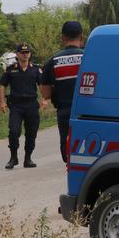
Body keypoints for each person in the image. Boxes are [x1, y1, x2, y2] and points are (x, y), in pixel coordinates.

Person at [41, 20, 85, 163]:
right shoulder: (89, 57)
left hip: (65, 113)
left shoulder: (52, 61)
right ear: (81, 37)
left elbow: (46, 94)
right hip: (88, 113)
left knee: (68, 152)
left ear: (63, 37)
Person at [0, 43, 46, 169]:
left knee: (31, 133)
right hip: (16, 106)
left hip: (31, 105)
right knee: (14, 131)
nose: (26, 54)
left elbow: (41, 85)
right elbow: (3, 85)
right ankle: (13, 158)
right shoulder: (11, 69)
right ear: (17, 54)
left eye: (28, 52)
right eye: (23, 52)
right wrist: (2, 102)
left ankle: (28, 158)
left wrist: (44, 99)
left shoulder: (35, 69)